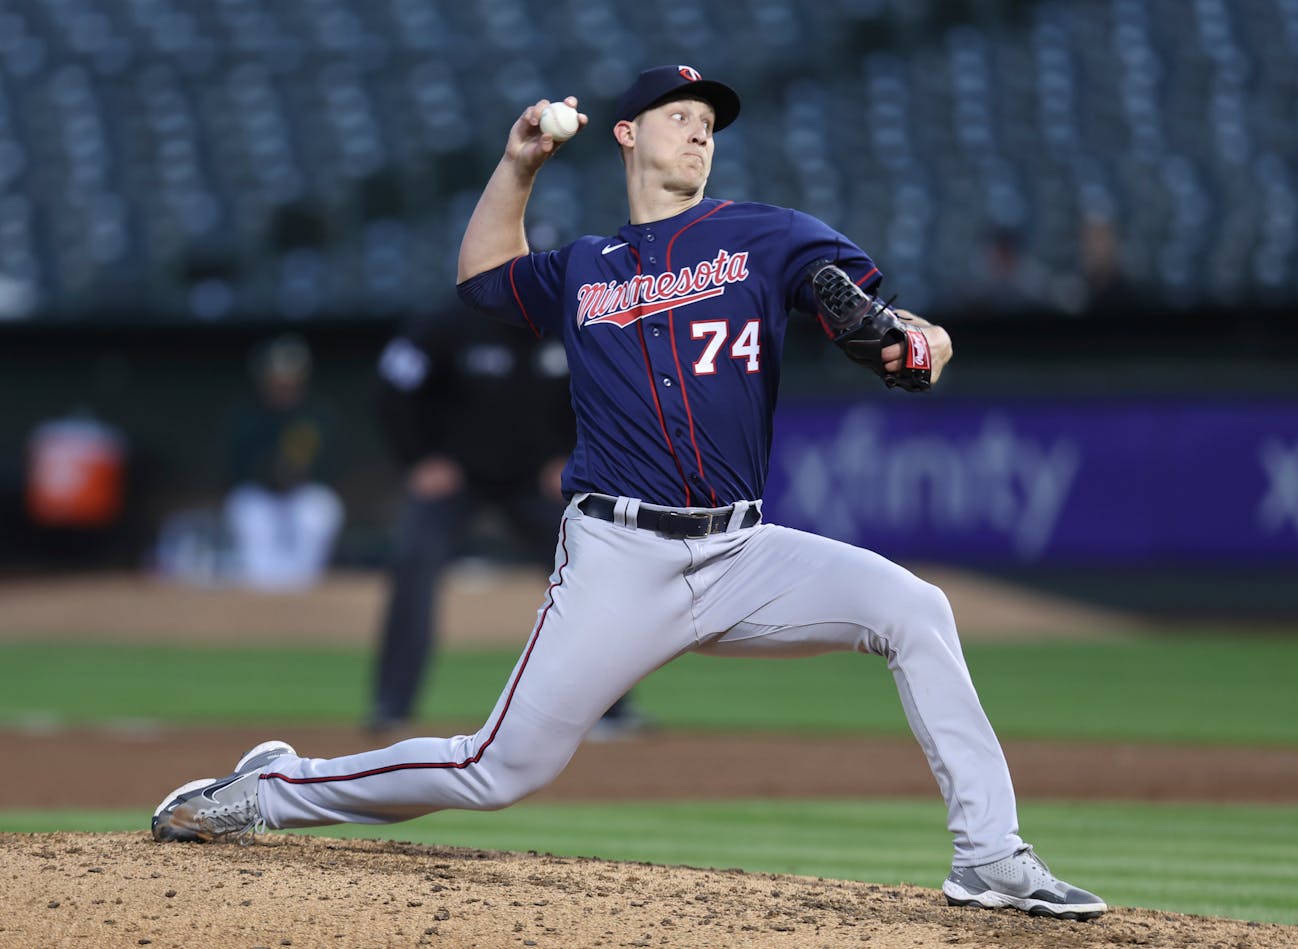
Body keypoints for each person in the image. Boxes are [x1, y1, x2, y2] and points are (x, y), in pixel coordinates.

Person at [152, 65, 1106, 921]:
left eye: (709, 121)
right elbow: (480, 278)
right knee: (499, 768)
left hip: (742, 551)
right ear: (626, 135)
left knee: (914, 608)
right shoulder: (586, 269)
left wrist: (914, 338)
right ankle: (272, 789)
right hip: (618, 556)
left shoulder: (762, 234)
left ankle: (989, 856)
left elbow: (856, 303)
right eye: (680, 115)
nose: (700, 132)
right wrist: (518, 163)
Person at [370, 308, 644, 737]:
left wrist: (573, 459)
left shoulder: (571, 324)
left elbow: (606, 401)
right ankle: (391, 706)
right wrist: (418, 459)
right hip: (455, 476)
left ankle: (611, 708)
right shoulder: (445, 322)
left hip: (534, 480)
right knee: (415, 560)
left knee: (592, 566)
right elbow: (392, 389)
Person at [222, 333, 344, 592]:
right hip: (260, 496)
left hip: (301, 495)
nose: (283, 382)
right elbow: (234, 467)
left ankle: (303, 592)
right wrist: (267, 472)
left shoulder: (317, 415)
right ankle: (263, 596)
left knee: (320, 509)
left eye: (290, 375)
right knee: (248, 511)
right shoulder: (246, 416)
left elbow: (330, 466)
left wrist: (298, 474)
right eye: (277, 375)